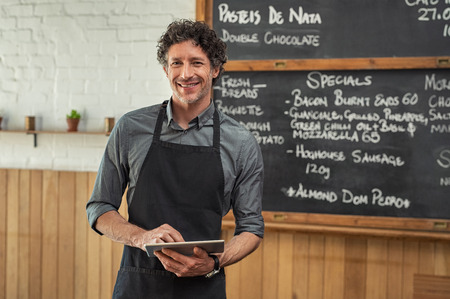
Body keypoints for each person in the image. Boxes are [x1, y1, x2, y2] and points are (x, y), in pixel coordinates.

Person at [86, 19, 264, 298]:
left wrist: (215, 261)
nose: (186, 73)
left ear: (215, 69)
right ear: (166, 69)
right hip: (138, 285)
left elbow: (251, 229)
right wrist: (141, 237)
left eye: (196, 62)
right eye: (176, 63)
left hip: (204, 285)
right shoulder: (130, 129)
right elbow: (99, 208)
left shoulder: (241, 143)